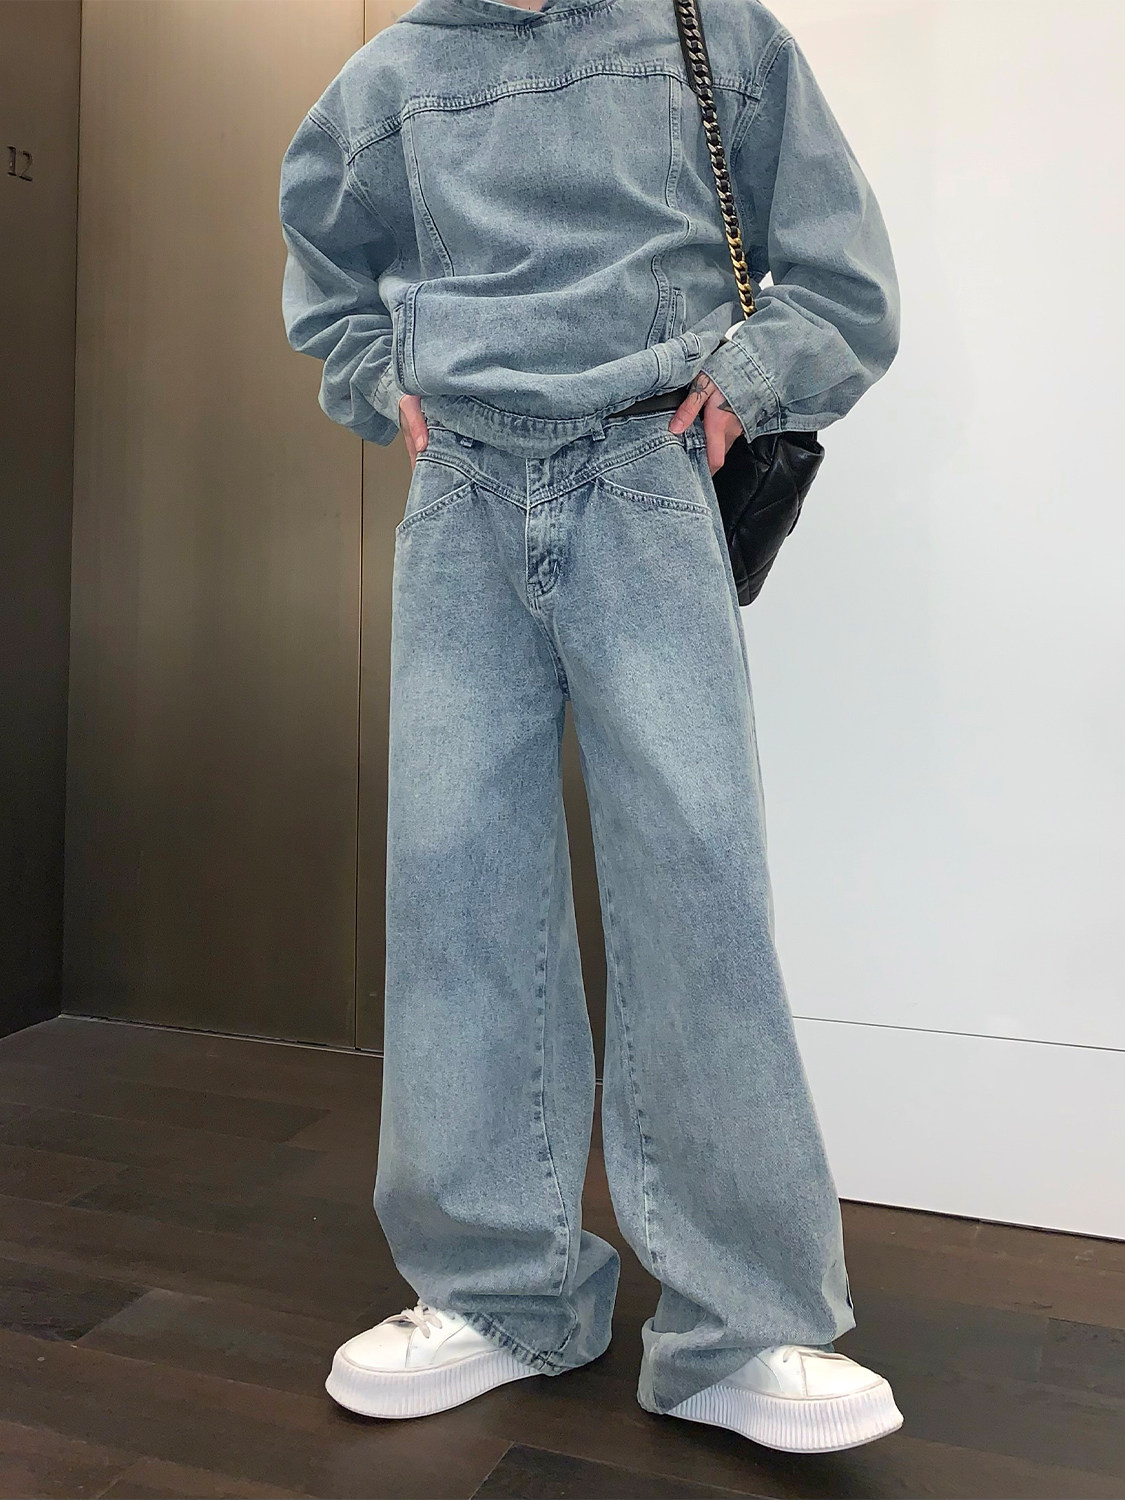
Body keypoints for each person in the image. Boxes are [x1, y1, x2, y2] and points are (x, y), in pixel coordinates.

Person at [279, 0, 902, 1455]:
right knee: (458, 887)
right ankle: (497, 1290)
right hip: (464, 493)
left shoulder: (708, 32)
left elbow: (841, 274)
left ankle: (743, 1320)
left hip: (645, 468)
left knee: (697, 883)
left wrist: (750, 381)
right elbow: (324, 272)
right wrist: (378, 380)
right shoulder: (388, 79)